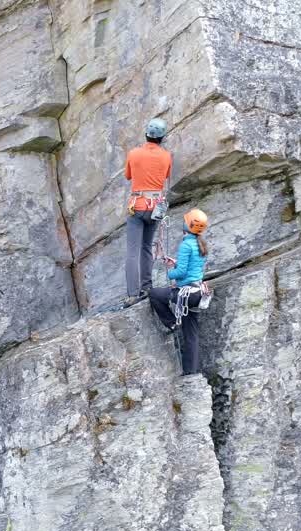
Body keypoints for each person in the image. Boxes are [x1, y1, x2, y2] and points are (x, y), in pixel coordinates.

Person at [149, 208, 209, 375]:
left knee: (154, 294)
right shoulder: (201, 244)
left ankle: (171, 322)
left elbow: (181, 273)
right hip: (197, 294)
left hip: (187, 294)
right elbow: (192, 270)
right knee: (191, 333)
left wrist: (170, 272)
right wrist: (176, 263)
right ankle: (191, 372)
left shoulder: (186, 245)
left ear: (188, 225)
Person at [123, 118, 173, 304]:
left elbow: (128, 175)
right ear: (162, 137)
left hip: (137, 205)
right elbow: (166, 175)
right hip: (155, 208)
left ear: (146, 134)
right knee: (146, 248)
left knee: (132, 251)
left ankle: (133, 294)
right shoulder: (166, 156)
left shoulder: (134, 153)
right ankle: (147, 286)